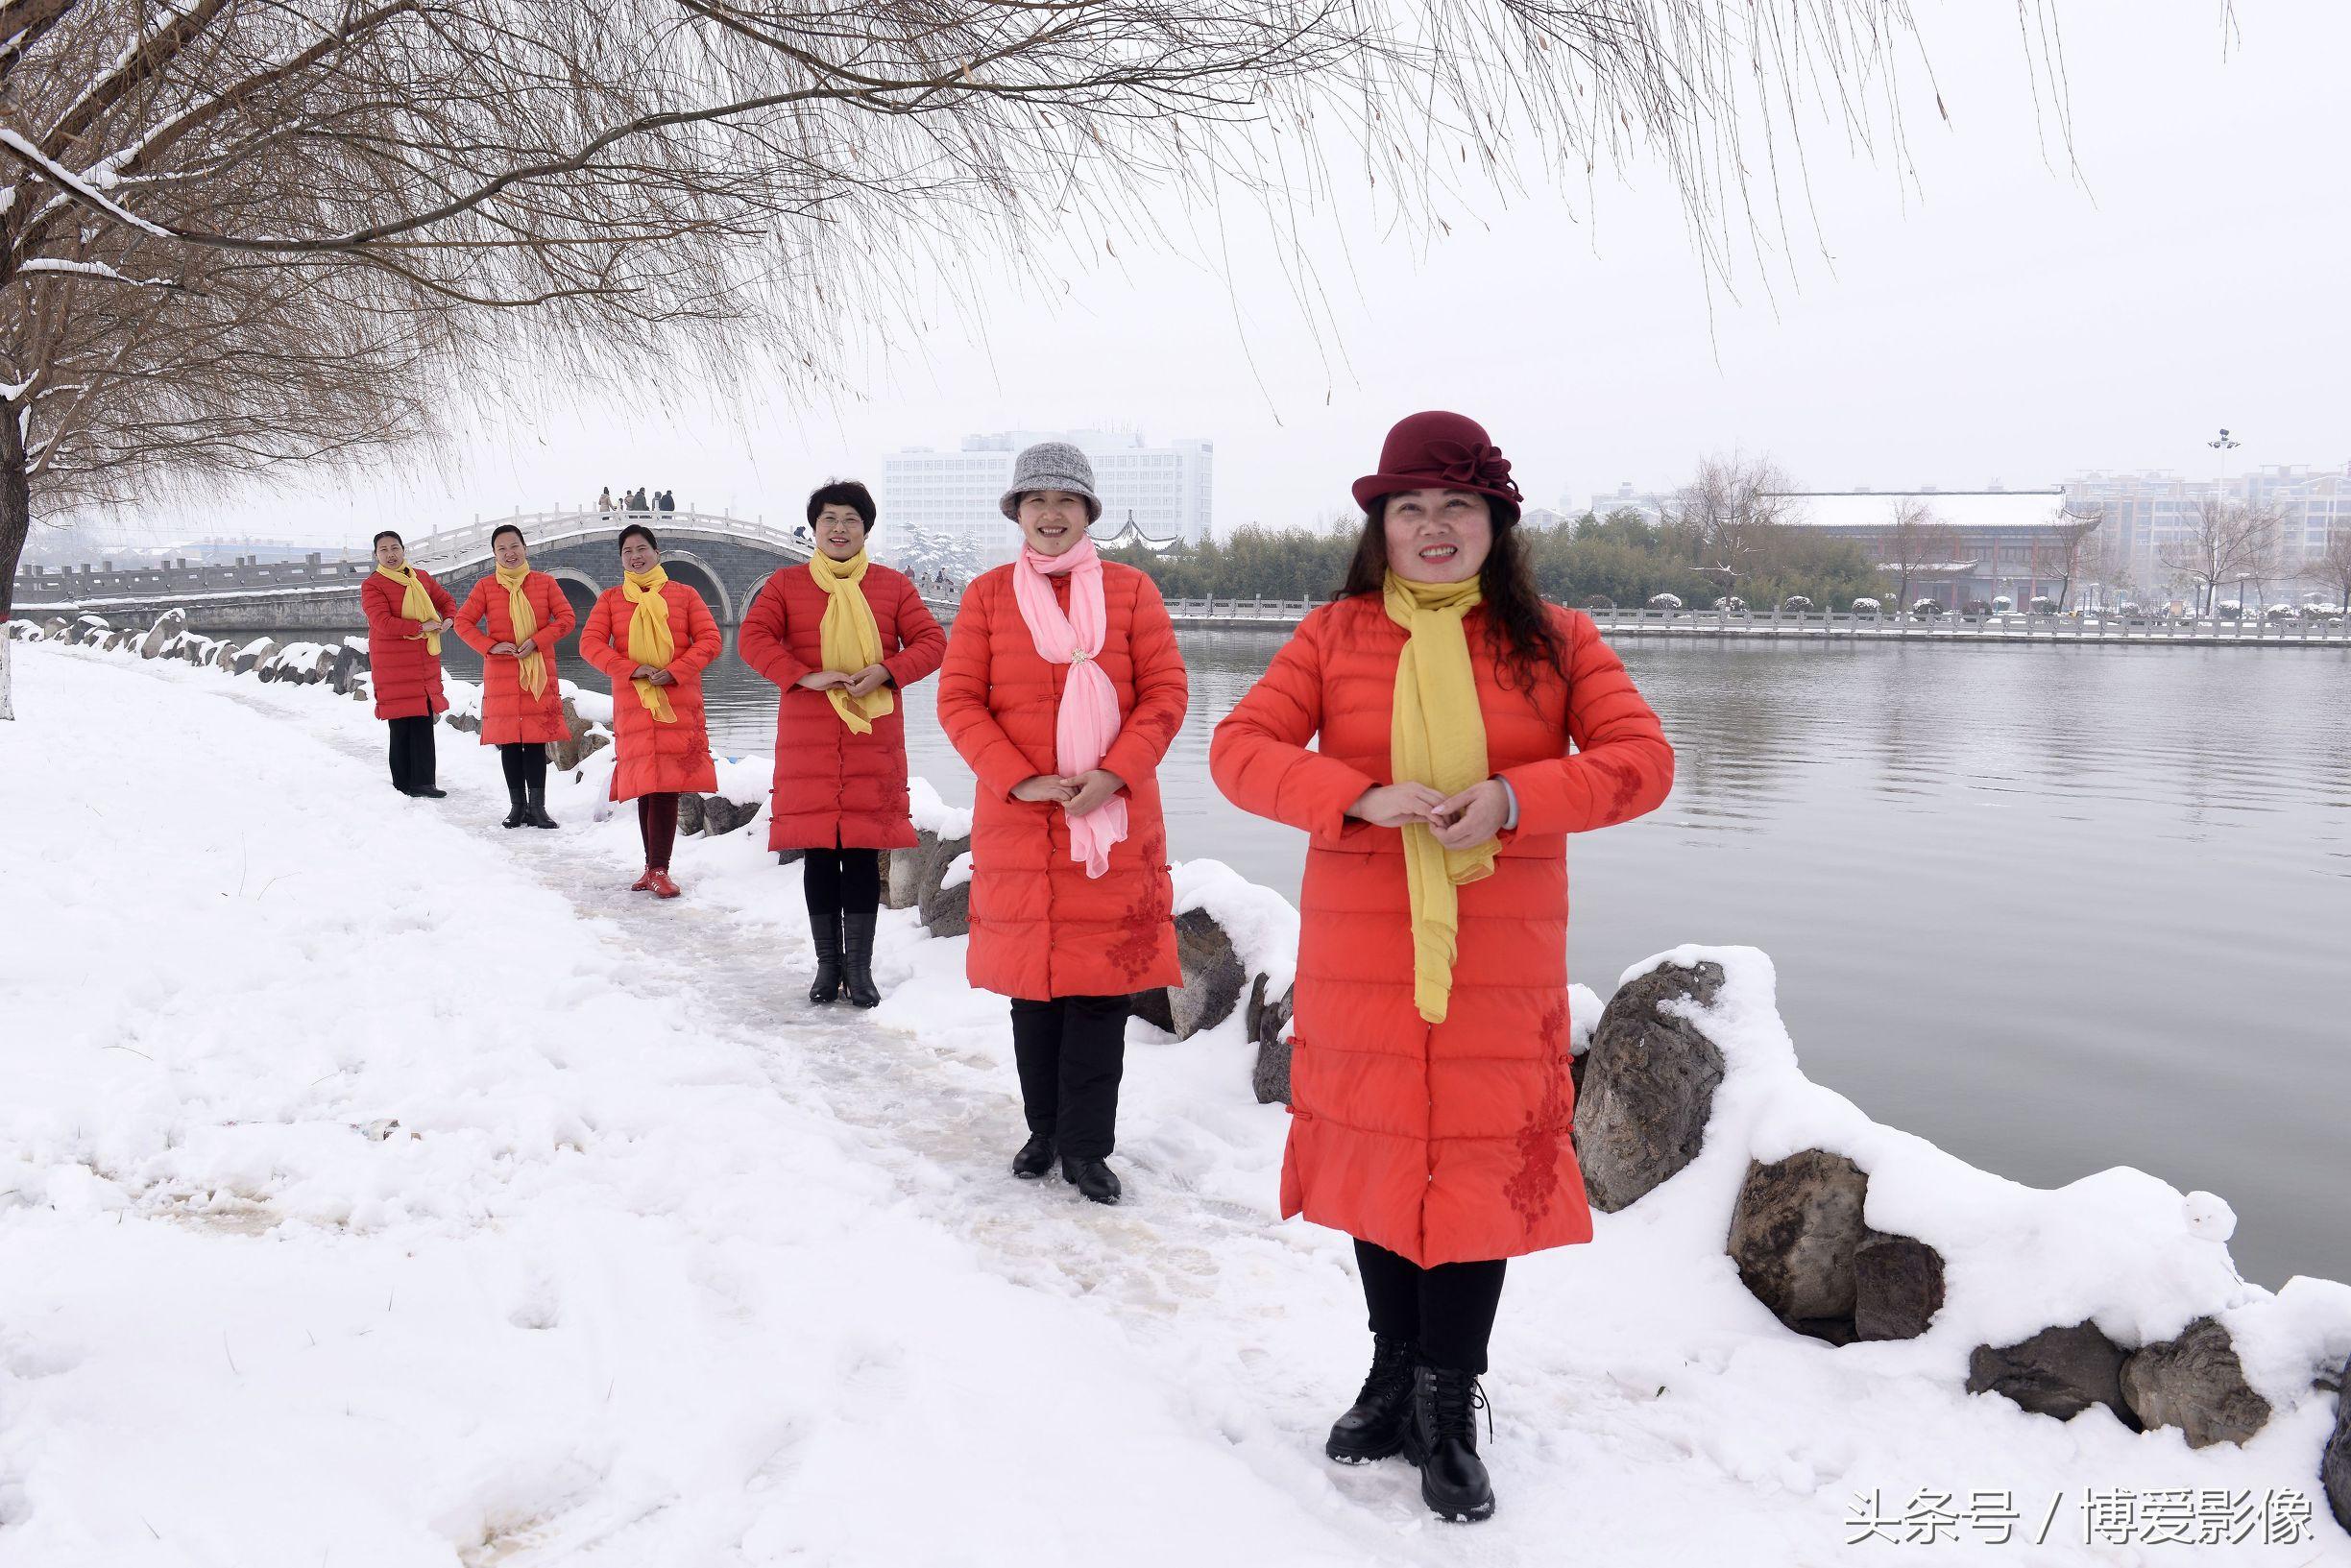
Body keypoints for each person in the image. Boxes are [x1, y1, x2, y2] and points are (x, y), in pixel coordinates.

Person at [1208, 411, 1675, 1524]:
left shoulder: (1556, 639)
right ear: (1380, 527)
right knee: (1380, 1166)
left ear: (1495, 524)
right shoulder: (1332, 636)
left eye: (1455, 507)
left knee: (1472, 1176)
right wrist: (1351, 795)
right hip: (1366, 954)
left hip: (1497, 966)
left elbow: (1642, 761)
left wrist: (1518, 796)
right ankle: (1389, 1371)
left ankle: (1450, 1400)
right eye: (1408, 509)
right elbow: (1240, 751)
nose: (1432, 528)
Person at [935, 443, 1187, 1205]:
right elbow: (959, 703)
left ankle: (1086, 1148)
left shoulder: (1132, 591)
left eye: (1066, 501)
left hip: (1112, 822)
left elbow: (1166, 693)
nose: (1051, 513)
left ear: (1088, 514)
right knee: (1034, 994)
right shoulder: (985, 598)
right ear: (1018, 512)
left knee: (1100, 995)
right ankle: (1043, 1130)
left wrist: (1112, 772)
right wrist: (1024, 779)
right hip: (1020, 822)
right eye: (1036, 500)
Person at [739, 481, 946, 1007]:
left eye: (850, 519)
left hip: (871, 740)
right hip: (808, 740)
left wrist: (887, 670)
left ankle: (860, 969)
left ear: (865, 528)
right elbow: (754, 638)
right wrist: (802, 676)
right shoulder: (786, 585)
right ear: (814, 528)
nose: (838, 528)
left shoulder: (892, 586)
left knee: (858, 855)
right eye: (828, 518)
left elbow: (932, 642)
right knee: (817, 856)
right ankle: (827, 967)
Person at [577, 524, 722, 897]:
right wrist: (630, 668)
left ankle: (658, 868)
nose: (636, 556)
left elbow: (710, 640)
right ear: (621, 559)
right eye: (627, 551)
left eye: (642, 548)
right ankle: (652, 867)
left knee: (666, 786)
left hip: (678, 699)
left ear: (657, 553)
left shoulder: (684, 595)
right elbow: (590, 644)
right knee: (647, 784)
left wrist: (675, 671)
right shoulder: (610, 599)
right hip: (635, 701)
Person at [452, 523, 577, 830]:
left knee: (535, 743)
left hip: (538, 669)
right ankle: (517, 808)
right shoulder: (485, 587)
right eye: (502, 549)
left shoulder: (545, 583)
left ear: (525, 547)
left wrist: (537, 640)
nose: (509, 553)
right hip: (502, 674)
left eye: (514, 546)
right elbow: (462, 623)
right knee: (509, 743)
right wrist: (491, 647)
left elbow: (567, 619)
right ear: (494, 554)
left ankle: (537, 808)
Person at [360, 529, 456, 797]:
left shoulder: (421, 578)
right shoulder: (373, 585)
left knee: (424, 721)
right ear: (376, 555)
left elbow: (446, 601)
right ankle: (403, 785)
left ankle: (425, 782)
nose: (390, 554)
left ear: (404, 550)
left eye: (395, 548)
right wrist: (420, 625)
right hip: (393, 663)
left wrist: (449, 618)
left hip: (423, 660)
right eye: (384, 550)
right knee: (401, 723)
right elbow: (382, 622)